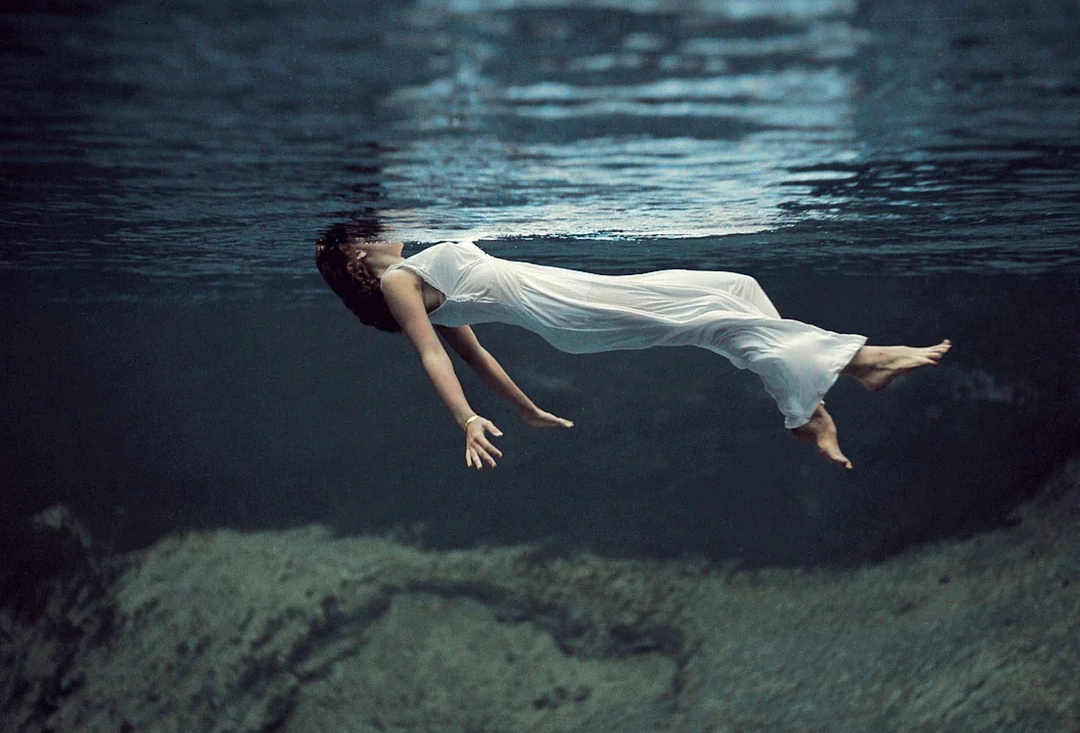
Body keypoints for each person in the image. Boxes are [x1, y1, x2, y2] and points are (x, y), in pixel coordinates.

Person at [315, 229, 950, 471]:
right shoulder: (401, 281)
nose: (393, 223)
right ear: (355, 252)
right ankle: (864, 362)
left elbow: (478, 357)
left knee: (734, 289)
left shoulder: (416, 273)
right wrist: (467, 418)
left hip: (574, 299)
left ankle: (804, 406)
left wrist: (527, 409)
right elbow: (437, 356)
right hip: (568, 309)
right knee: (716, 318)